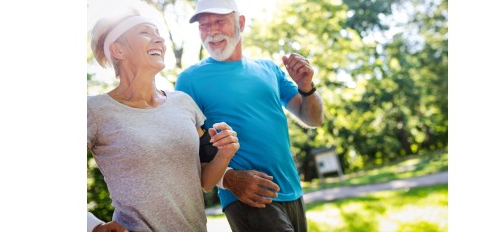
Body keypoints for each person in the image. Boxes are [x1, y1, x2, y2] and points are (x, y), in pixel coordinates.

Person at [85, 9, 241, 232]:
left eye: (158, 32)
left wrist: (225, 153)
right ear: (118, 49)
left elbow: (205, 182)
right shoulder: (94, 110)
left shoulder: (184, 103)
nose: (159, 39)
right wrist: (93, 226)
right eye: (145, 32)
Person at [175, 0, 325, 231]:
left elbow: (313, 119)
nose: (212, 31)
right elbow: (187, 151)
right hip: (248, 196)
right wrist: (230, 179)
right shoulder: (190, 80)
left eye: (220, 21)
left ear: (241, 23)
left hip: (292, 191)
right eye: (204, 25)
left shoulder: (269, 69)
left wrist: (306, 87)